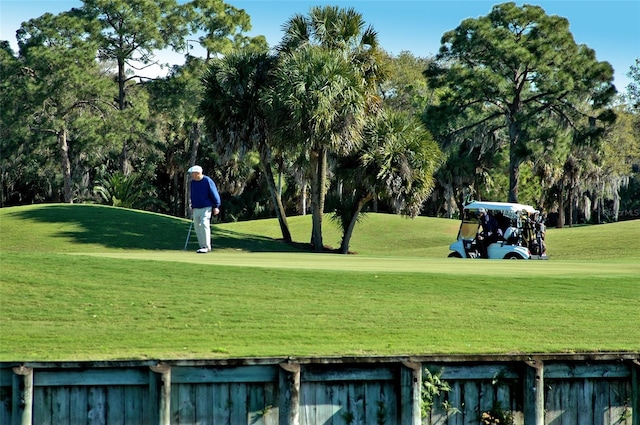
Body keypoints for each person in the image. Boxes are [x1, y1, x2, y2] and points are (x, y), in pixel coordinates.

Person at [188, 165, 221, 253]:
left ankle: (207, 246)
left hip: (206, 207)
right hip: (196, 207)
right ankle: (202, 246)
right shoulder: (193, 182)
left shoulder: (207, 181)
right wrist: (191, 204)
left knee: (204, 224)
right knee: (197, 227)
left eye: (193, 174)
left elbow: (214, 193)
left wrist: (216, 206)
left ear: (198, 173)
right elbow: (192, 194)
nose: (191, 175)